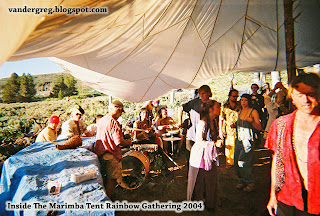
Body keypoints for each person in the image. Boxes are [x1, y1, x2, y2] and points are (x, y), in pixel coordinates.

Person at [265, 73, 320, 216]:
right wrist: (273, 195)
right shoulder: (281, 124)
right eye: (300, 95)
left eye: (311, 94)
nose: (306, 100)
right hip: (287, 197)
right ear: (292, 98)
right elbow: (277, 162)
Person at [187, 100, 223, 211]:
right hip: (200, 156)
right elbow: (199, 141)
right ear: (211, 109)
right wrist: (214, 143)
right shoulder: (203, 123)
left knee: (211, 179)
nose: (220, 108)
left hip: (209, 154)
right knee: (199, 180)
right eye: (217, 107)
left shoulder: (214, 121)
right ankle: (198, 203)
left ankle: (210, 202)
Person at [94, 100, 132, 198]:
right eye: (120, 112)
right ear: (118, 110)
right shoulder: (114, 123)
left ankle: (103, 197)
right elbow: (119, 142)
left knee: (103, 178)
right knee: (112, 179)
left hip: (100, 154)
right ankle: (108, 200)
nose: (120, 115)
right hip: (111, 155)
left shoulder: (102, 120)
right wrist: (128, 142)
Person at [178, 85, 213, 162]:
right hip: (192, 134)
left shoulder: (212, 104)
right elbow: (181, 108)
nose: (201, 95)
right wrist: (180, 122)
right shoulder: (194, 102)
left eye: (203, 93)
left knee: (203, 158)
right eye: (200, 93)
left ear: (208, 93)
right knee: (190, 158)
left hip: (205, 136)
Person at [234, 94, 261, 192]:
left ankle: (250, 182)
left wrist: (252, 121)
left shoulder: (253, 112)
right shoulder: (240, 111)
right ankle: (241, 180)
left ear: (249, 101)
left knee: (243, 162)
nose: (243, 102)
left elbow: (259, 127)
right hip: (239, 139)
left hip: (248, 140)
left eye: (245, 100)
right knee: (236, 161)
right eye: (241, 100)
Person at [219, 89, 241, 166]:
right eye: (233, 96)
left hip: (240, 130)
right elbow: (221, 119)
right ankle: (229, 163)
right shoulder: (224, 106)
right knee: (229, 147)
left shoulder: (240, 105)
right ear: (229, 96)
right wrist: (220, 130)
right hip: (229, 131)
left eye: (236, 96)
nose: (235, 98)